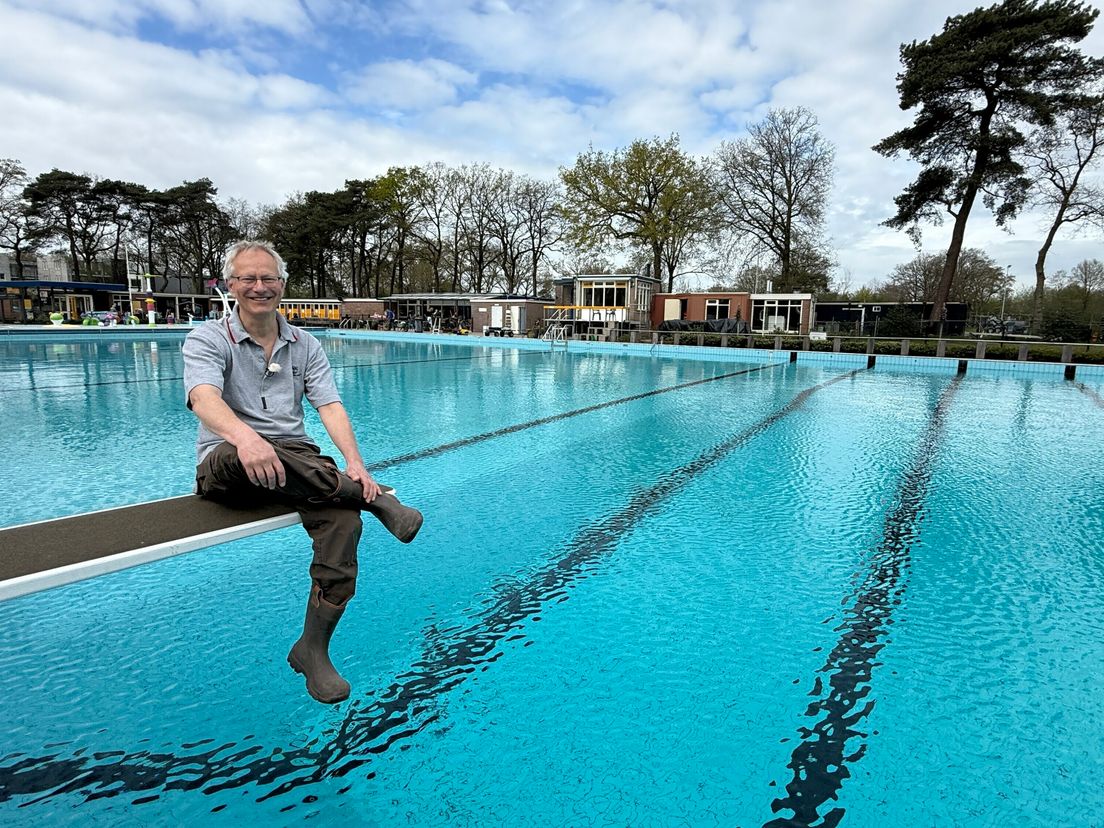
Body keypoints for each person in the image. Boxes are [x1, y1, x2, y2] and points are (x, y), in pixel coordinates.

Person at [182, 240, 423, 705]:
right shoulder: (208, 338)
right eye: (248, 278)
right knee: (269, 455)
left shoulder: (304, 343)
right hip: (228, 460)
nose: (259, 286)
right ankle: (373, 499)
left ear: (282, 285)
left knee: (344, 525)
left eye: (268, 278)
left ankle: (312, 648)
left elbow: (329, 405)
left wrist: (355, 460)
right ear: (230, 285)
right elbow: (203, 398)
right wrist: (245, 437)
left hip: (295, 463)